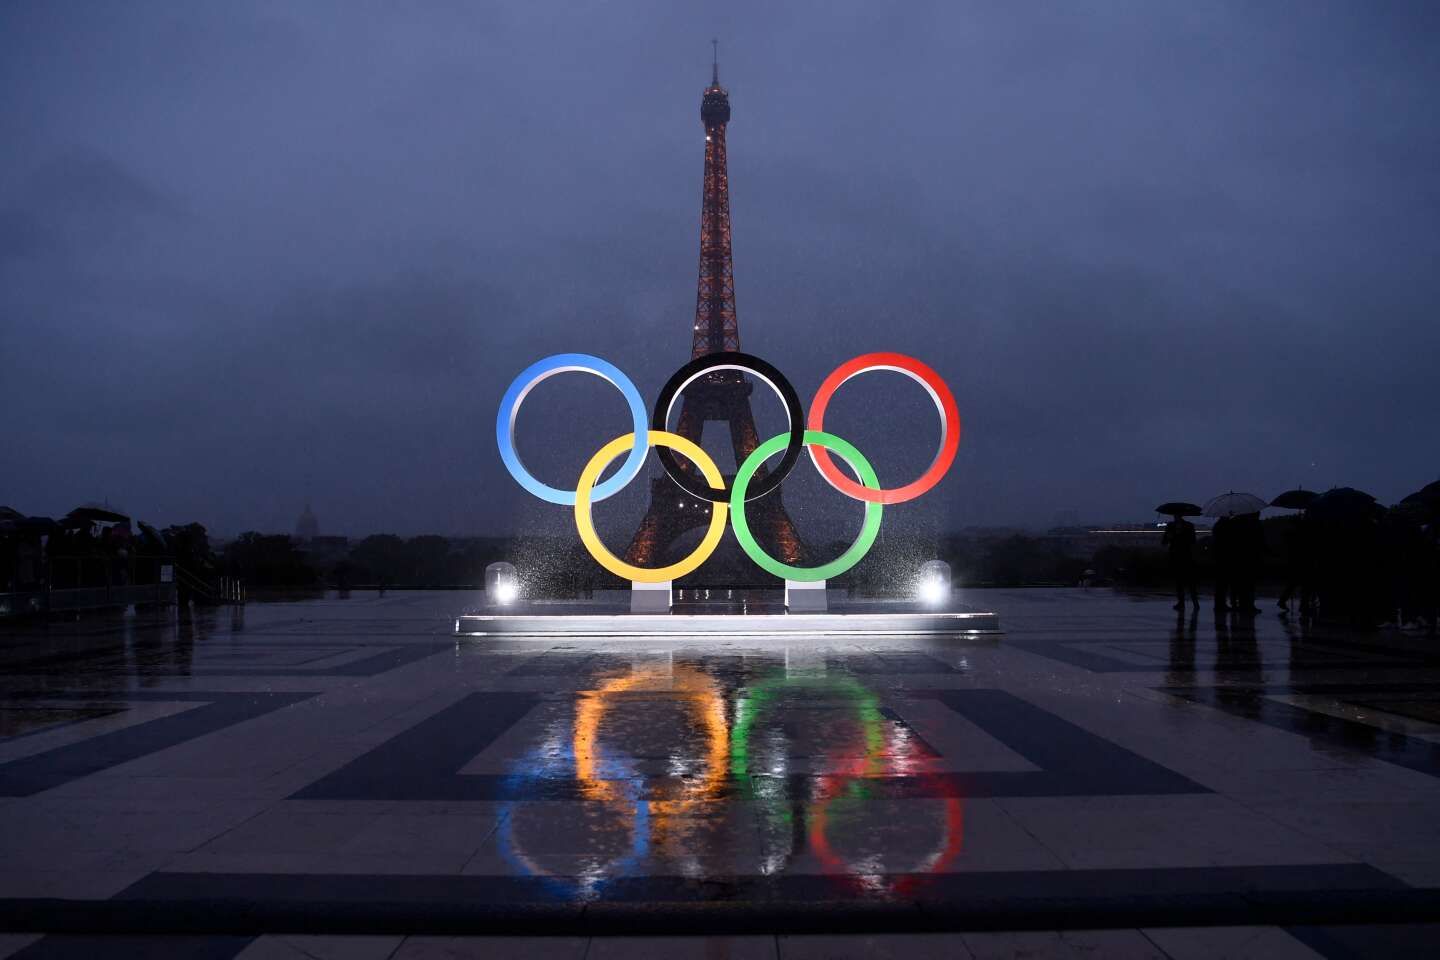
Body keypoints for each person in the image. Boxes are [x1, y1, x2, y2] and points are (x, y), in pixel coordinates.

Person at [1162, 515, 1199, 611]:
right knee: (1185, 581)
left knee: (1182, 581)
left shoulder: (1172, 526)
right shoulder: (1188, 526)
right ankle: (1193, 603)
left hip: (1181, 556)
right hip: (1185, 556)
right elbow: (1193, 541)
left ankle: (1184, 603)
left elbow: (1164, 542)